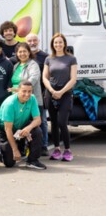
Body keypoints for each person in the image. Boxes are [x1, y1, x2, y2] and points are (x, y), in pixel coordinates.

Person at [43, 33, 78, 162]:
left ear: (64, 43)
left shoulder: (71, 59)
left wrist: (62, 91)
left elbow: (73, 79)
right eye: (55, 42)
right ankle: (57, 149)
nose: (58, 45)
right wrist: (52, 90)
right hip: (50, 93)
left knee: (62, 122)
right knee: (54, 122)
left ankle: (67, 150)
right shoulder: (48, 59)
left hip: (66, 93)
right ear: (52, 45)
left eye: (60, 42)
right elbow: (44, 77)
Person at [0, 81, 46, 169]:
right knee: (9, 163)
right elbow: (8, 129)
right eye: (24, 91)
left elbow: (38, 120)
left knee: (37, 130)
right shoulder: (10, 104)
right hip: (5, 130)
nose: (27, 94)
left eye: (29, 91)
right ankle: (4, 151)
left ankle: (32, 160)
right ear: (18, 90)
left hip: (21, 127)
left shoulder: (32, 99)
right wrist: (14, 150)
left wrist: (28, 128)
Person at [26, 33, 50, 154]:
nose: (32, 43)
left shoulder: (45, 57)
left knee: (42, 121)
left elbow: (48, 76)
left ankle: (44, 145)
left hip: (40, 93)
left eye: (34, 40)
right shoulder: (24, 56)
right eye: (29, 41)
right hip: (25, 94)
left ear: (39, 41)